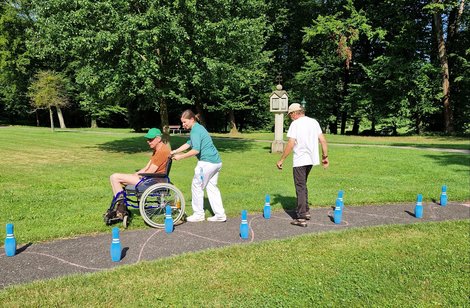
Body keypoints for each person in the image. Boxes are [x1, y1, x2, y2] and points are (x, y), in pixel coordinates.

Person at [276, 103, 329, 227]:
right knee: (303, 184)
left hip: (300, 160)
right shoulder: (314, 122)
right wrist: (325, 157)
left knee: (300, 187)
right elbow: (323, 140)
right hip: (311, 160)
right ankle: (306, 211)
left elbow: (291, 143)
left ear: (295, 113)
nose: (290, 117)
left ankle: (301, 217)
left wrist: (282, 159)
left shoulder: (295, 124)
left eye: (290, 115)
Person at [171, 110, 226, 222]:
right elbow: (189, 143)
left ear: (192, 119)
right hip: (216, 162)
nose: (183, 125)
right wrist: (175, 151)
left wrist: (181, 157)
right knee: (212, 187)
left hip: (207, 163)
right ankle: (220, 215)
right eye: (182, 122)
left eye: (185, 122)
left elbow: (196, 150)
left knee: (197, 186)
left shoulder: (195, 131)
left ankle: (198, 214)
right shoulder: (198, 128)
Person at [109, 128, 171, 217]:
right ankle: (121, 208)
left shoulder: (162, 152)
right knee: (117, 179)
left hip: (151, 181)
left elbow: (150, 171)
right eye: (147, 139)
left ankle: (121, 209)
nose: (148, 141)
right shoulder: (158, 150)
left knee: (115, 177)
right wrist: (135, 174)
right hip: (151, 179)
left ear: (158, 139)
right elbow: (147, 167)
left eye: (151, 139)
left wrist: (138, 176)